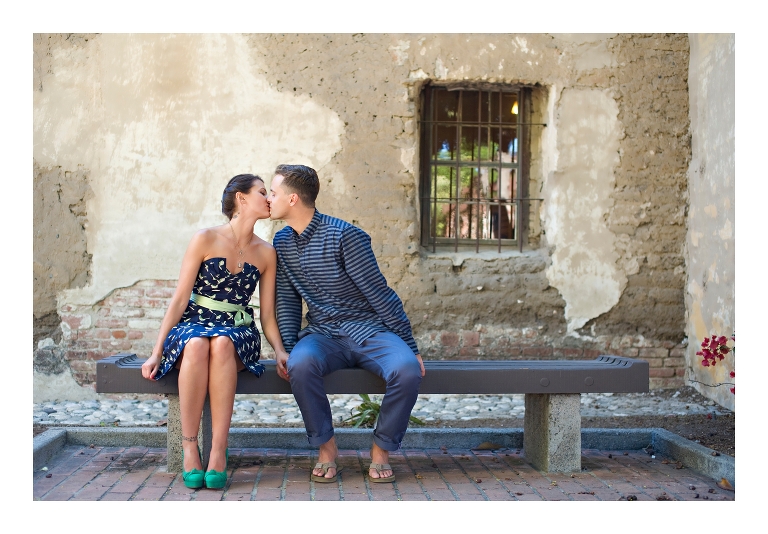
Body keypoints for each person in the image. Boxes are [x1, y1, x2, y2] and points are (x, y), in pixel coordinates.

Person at [267, 164, 425, 484]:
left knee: (407, 369)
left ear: (293, 199)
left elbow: (380, 293)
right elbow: (286, 300)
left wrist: (409, 345)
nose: (268, 199)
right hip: (322, 334)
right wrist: (283, 347)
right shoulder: (282, 242)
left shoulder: (345, 236)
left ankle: (381, 450)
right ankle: (327, 449)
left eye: (273, 192)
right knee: (300, 363)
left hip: (368, 329)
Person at [141, 174, 289, 490]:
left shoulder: (266, 252)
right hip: (193, 324)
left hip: (237, 330)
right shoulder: (204, 238)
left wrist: (279, 351)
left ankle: (219, 451)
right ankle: (190, 447)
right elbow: (180, 298)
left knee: (222, 343)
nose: (268, 199)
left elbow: (268, 316)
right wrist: (156, 351)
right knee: (196, 344)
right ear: (241, 198)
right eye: (262, 192)